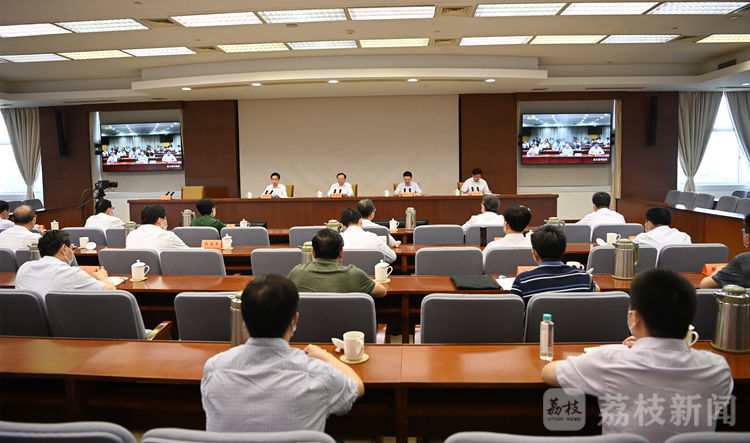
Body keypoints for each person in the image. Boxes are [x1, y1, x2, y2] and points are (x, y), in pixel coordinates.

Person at [542, 269, 733, 443]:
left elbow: (549, 373)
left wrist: (635, 350)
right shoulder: (717, 369)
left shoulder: (611, 359)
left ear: (634, 318)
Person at [201, 274, 363, 432]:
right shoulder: (318, 374)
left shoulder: (214, 368)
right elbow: (356, 386)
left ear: (243, 320)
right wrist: (325, 356)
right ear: (294, 320)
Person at [510, 224, 597, 304]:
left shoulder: (523, 281)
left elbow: (514, 309)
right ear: (564, 250)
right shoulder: (585, 278)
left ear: (534, 253)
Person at [288, 228, 387, 297]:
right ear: (341, 252)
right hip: (345, 322)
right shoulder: (355, 275)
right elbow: (382, 291)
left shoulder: (297, 273)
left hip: (307, 322)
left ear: (313, 252)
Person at [15, 230, 115, 296]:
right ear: (64, 249)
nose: (72, 252)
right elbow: (111, 292)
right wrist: (102, 277)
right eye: (71, 249)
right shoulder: (70, 273)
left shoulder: (24, 268)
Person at [700, 214, 750, 288]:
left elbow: (705, 285)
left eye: (743, 232)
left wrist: (717, 272)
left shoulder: (743, 261)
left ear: (748, 238)